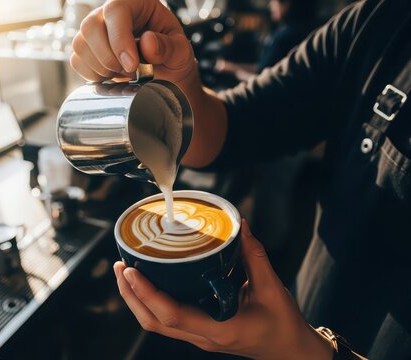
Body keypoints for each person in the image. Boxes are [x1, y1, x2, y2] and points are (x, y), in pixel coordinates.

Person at [70, 0, 411, 358]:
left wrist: (298, 349)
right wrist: (178, 78)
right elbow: (237, 126)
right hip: (306, 305)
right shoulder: (381, 19)